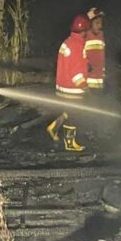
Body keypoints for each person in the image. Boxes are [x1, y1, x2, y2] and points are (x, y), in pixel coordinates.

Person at [46, 14, 90, 152]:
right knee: (75, 114)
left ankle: (54, 126)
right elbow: (76, 73)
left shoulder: (68, 42)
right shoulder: (78, 46)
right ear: (84, 31)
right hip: (72, 89)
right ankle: (70, 143)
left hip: (62, 87)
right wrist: (85, 86)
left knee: (69, 110)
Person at [85, 7, 106, 90]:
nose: (100, 26)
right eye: (97, 23)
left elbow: (101, 58)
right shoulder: (84, 37)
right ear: (89, 23)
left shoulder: (101, 35)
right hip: (87, 84)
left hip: (99, 83)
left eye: (101, 23)